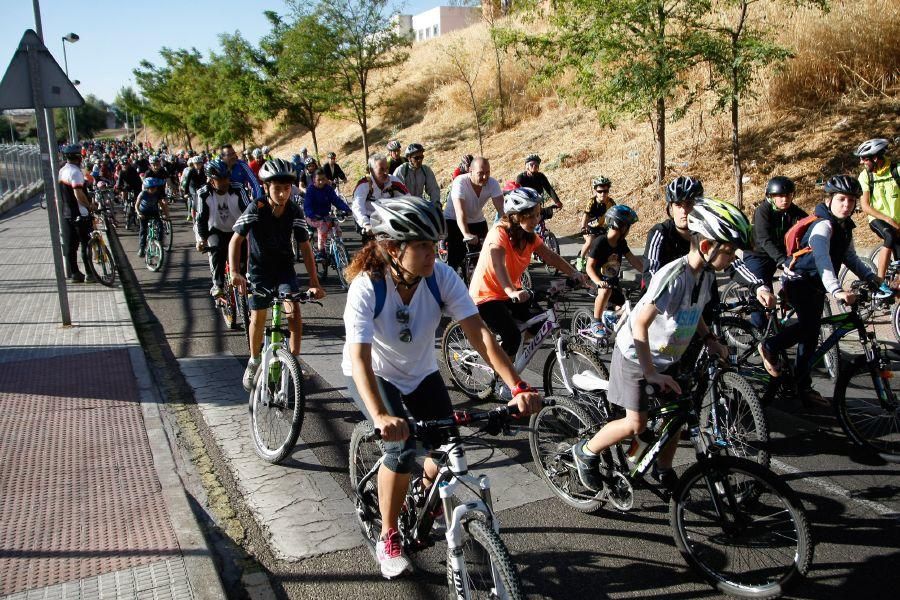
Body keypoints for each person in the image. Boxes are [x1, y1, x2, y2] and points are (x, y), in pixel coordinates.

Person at [341, 196, 541, 579]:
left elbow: (480, 335)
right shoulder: (368, 287)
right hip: (375, 374)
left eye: (436, 244)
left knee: (447, 444)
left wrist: (517, 386)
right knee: (400, 450)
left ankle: (421, 496)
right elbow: (362, 358)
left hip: (420, 371)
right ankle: (388, 534)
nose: (435, 252)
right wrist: (382, 415)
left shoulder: (440, 276)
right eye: (423, 246)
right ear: (392, 248)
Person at [572, 199, 750, 493]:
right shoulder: (675, 278)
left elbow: (695, 312)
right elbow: (640, 324)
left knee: (677, 414)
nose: (732, 256)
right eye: (729, 250)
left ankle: (663, 469)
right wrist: (650, 372)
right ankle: (586, 451)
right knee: (635, 425)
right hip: (636, 356)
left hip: (668, 356)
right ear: (706, 247)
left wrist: (709, 339)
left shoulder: (705, 275)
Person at [759, 175, 881, 405]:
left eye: (851, 200)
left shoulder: (844, 227)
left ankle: (801, 385)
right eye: (841, 199)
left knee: (811, 336)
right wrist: (837, 291)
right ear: (830, 199)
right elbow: (822, 259)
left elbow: (850, 257)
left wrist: (873, 278)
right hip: (798, 281)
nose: (847, 205)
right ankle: (769, 346)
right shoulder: (822, 226)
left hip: (815, 285)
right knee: (808, 327)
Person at [230, 158, 325, 391]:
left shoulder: (294, 210)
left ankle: (292, 360)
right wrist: (234, 272)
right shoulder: (257, 208)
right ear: (265, 187)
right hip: (259, 271)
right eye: (277, 188)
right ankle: (253, 360)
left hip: (284, 269)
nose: (283, 194)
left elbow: (304, 246)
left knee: (294, 311)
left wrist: (314, 282)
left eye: (286, 188)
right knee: (258, 316)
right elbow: (236, 240)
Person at [470, 187, 586, 359]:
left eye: (538, 214)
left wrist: (574, 273)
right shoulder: (498, 233)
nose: (536, 220)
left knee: (541, 324)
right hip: (486, 296)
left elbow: (550, 256)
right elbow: (498, 264)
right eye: (530, 216)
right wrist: (512, 291)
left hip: (511, 293)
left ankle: (506, 352)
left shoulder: (529, 235)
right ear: (515, 216)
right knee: (513, 337)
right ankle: (504, 380)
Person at [731, 176, 808, 328]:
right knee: (762, 294)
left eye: (788, 195)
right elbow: (764, 240)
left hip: (777, 255)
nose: (784, 199)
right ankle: (758, 331)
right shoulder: (762, 211)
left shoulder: (793, 211)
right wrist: (782, 260)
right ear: (770, 196)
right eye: (780, 196)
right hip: (757, 256)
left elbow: (807, 223)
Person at [585, 205, 643, 338]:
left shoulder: (621, 243)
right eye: (628, 226)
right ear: (621, 226)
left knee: (624, 311)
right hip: (596, 282)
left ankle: (610, 322)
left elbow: (634, 260)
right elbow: (589, 267)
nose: (629, 230)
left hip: (613, 284)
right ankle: (596, 321)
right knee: (605, 291)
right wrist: (598, 282)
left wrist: (649, 273)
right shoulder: (600, 241)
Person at [195, 159, 250, 297]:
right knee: (217, 249)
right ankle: (218, 285)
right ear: (211, 181)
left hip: (238, 230)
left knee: (244, 258)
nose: (225, 182)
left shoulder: (238, 189)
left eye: (227, 178)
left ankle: (244, 284)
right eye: (220, 179)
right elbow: (201, 219)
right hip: (216, 229)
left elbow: (249, 211)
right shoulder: (203, 194)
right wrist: (201, 239)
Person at [855, 138, 900, 296]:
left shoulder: (896, 171)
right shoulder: (865, 176)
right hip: (878, 219)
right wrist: (888, 220)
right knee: (889, 234)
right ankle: (879, 281)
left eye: (864, 158)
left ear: (875, 158)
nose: (861, 162)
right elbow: (866, 206)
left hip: (898, 222)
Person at [443, 156, 504, 273]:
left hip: (477, 219)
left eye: (488, 173)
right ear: (470, 171)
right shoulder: (460, 182)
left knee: (484, 255)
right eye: (481, 173)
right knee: (457, 256)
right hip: (454, 219)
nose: (485, 177)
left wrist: (509, 228)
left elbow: (502, 210)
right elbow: (460, 212)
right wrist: (466, 234)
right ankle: (454, 277)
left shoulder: (492, 183)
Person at [58, 144, 95, 283]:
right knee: (86, 244)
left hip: (67, 214)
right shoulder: (76, 172)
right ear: (79, 157)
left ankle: (75, 274)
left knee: (71, 246)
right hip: (80, 213)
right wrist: (89, 205)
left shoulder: (62, 171)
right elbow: (78, 193)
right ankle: (90, 274)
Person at [351, 154, 409, 234]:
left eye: (387, 168)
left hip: (387, 219)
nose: (385, 172)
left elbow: (408, 199)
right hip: (368, 220)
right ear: (371, 170)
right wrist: (366, 224)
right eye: (381, 169)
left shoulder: (394, 181)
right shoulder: (364, 184)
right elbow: (357, 207)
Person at [303, 169, 352, 259]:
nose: (321, 182)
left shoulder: (328, 189)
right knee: (323, 226)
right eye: (319, 180)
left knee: (336, 227)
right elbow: (307, 206)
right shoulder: (310, 190)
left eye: (323, 179)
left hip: (325, 215)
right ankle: (321, 251)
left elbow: (336, 200)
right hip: (312, 217)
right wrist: (312, 215)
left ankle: (338, 245)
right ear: (314, 180)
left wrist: (347, 209)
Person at [576, 176, 617, 272]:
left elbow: (615, 216)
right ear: (595, 191)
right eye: (600, 191)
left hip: (603, 228)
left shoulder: (611, 202)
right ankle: (580, 260)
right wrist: (583, 227)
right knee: (590, 241)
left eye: (605, 191)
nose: (603, 194)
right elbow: (585, 216)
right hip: (590, 227)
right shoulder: (592, 202)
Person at [135, 177, 170, 258]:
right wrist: (139, 213)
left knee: (160, 225)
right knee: (143, 230)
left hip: (154, 212)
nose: (154, 189)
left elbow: (162, 204)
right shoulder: (143, 194)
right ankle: (142, 248)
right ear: (147, 188)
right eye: (151, 188)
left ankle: (160, 242)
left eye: (155, 187)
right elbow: (136, 205)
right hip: (143, 213)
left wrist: (166, 215)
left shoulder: (157, 194)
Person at [181, 156, 207, 222]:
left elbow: (207, 179)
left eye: (199, 164)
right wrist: (186, 193)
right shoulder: (191, 171)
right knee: (195, 199)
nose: (198, 165)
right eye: (196, 164)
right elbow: (187, 182)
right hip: (192, 186)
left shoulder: (204, 170)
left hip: (201, 185)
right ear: (193, 164)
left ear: (202, 164)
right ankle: (194, 216)